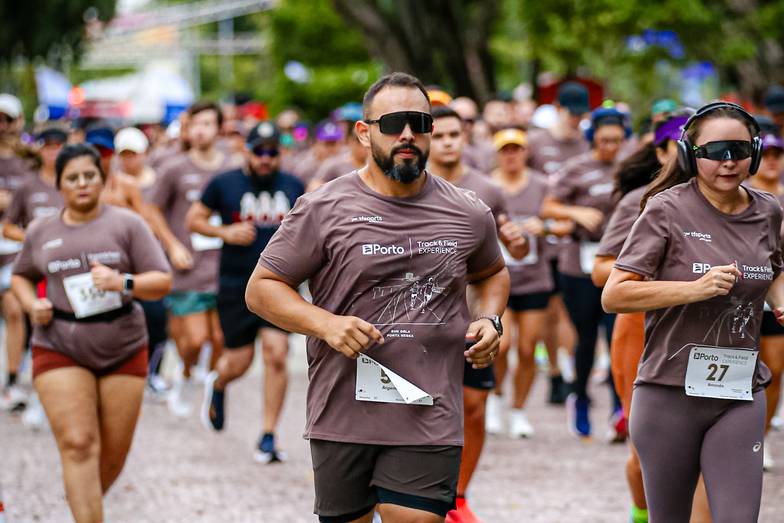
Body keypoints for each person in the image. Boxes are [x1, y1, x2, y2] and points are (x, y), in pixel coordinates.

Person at [246, 72, 510, 523]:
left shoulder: (468, 211)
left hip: (431, 410)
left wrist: (489, 320)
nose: (407, 134)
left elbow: (491, 274)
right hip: (343, 411)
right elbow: (263, 289)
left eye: (418, 122)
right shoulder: (323, 208)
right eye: (392, 123)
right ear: (365, 133)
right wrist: (325, 324)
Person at [602, 102, 784, 522]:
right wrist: (694, 289)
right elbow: (614, 295)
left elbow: (773, 269)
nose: (728, 161)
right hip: (669, 392)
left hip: (739, 390)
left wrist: (779, 300)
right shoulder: (666, 209)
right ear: (689, 155)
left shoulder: (768, 211)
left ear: (754, 153)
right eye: (715, 150)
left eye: (739, 150)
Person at [11, 143, 171, 523]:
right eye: (73, 178)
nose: (82, 184)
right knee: (79, 444)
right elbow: (21, 275)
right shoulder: (41, 230)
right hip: (59, 342)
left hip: (122, 343)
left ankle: (83, 506)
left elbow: (161, 281)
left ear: (102, 179)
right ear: (60, 185)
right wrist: (32, 305)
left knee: (112, 455)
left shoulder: (127, 224)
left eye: (89, 176)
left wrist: (123, 281)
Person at [591, 112, 714, 523]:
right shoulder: (640, 202)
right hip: (642, 332)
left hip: (712, 334)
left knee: (705, 451)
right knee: (646, 450)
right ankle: (641, 514)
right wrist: (672, 280)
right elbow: (600, 270)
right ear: (664, 152)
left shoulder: (737, 202)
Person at [427, 107, 527, 523]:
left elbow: (512, 252)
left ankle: (459, 497)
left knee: (473, 407)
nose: (449, 142)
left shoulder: (487, 189)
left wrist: (519, 242)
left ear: (466, 137)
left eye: (455, 134)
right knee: (425, 410)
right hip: (425, 321)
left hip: (472, 320)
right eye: (441, 135)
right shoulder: (412, 187)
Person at [187, 121, 304, 463]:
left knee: (276, 353)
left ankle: (268, 434)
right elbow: (194, 219)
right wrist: (225, 232)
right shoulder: (224, 183)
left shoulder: (294, 185)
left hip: (282, 285)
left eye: (272, 152)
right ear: (247, 151)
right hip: (237, 284)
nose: (266, 159)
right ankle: (219, 383)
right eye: (259, 152)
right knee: (239, 362)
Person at [541, 104, 629, 438]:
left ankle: (620, 407)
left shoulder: (630, 167)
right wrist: (577, 213)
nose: (610, 147)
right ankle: (579, 396)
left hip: (618, 263)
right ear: (593, 138)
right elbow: (548, 206)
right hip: (579, 262)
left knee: (617, 334)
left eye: (617, 140)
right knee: (587, 337)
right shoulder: (576, 168)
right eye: (604, 140)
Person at [147, 101, 238, 418]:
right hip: (188, 266)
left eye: (208, 124)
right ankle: (184, 376)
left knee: (220, 338)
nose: (201, 130)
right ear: (187, 129)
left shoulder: (232, 166)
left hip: (225, 265)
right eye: (195, 124)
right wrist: (171, 245)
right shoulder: (175, 168)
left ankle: (211, 389)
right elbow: (152, 209)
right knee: (195, 340)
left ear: (219, 128)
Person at [488, 128, 572, 439]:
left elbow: (564, 224)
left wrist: (545, 225)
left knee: (527, 349)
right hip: (497, 279)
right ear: (497, 154)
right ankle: (495, 398)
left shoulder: (541, 185)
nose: (511, 155)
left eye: (516, 149)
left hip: (535, 278)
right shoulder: (488, 185)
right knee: (501, 344)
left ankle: (519, 409)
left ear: (525, 152)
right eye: (505, 150)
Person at [527, 82, 591, 405]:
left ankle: (571, 372)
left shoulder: (586, 144)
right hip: (542, 242)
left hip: (573, 242)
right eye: (571, 113)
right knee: (549, 313)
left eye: (581, 115)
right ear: (558, 108)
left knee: (570, 313)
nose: (576, 120)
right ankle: (554, 372)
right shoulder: (537, 143)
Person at [114, 126, 170, 395]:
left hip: (153, 259)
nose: (129, 160)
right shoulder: (111, 184)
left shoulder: (159, 181)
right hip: (122, 262)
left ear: (144, 154)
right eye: (123, 155)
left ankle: (154, 370)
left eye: (133, 154)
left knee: (157, 318)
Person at [748, 131, 784, 471]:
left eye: (779, 153)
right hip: (741, 293)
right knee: (740, 365)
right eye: (767, 153)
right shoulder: (738, 196)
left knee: (773, 368)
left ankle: (761, 437)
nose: (772, 159)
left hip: (776, 295)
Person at [0, 95, 33, 412]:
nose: (1, 126)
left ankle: (11, 381)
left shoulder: (30, 160)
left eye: (6, 119)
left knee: (14, 310)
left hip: (15, 248)